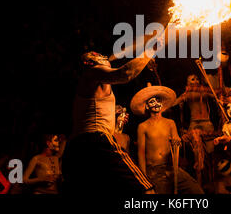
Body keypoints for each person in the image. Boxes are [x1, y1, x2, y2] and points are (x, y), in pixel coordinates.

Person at [62, 45, 161, 194]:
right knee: (146, 189)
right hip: (96, 141)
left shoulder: (95, 83)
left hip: (77, 148)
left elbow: (91, 113)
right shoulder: (92, 72)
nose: (103, 56)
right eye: (96, 54)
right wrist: (150, 50)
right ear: (89, 63)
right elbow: (126, 73)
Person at [131, 84, 204, 194]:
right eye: (152, 102)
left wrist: (177, 141)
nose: (156, 104)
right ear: (147, 106)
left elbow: (176, 138)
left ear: (162, 103)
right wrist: (144, 181)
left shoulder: (170, 123)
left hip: (171, 168)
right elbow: (141, 154)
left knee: (195, 190)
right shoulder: (143, 126)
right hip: (154, 171)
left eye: (158, 100)